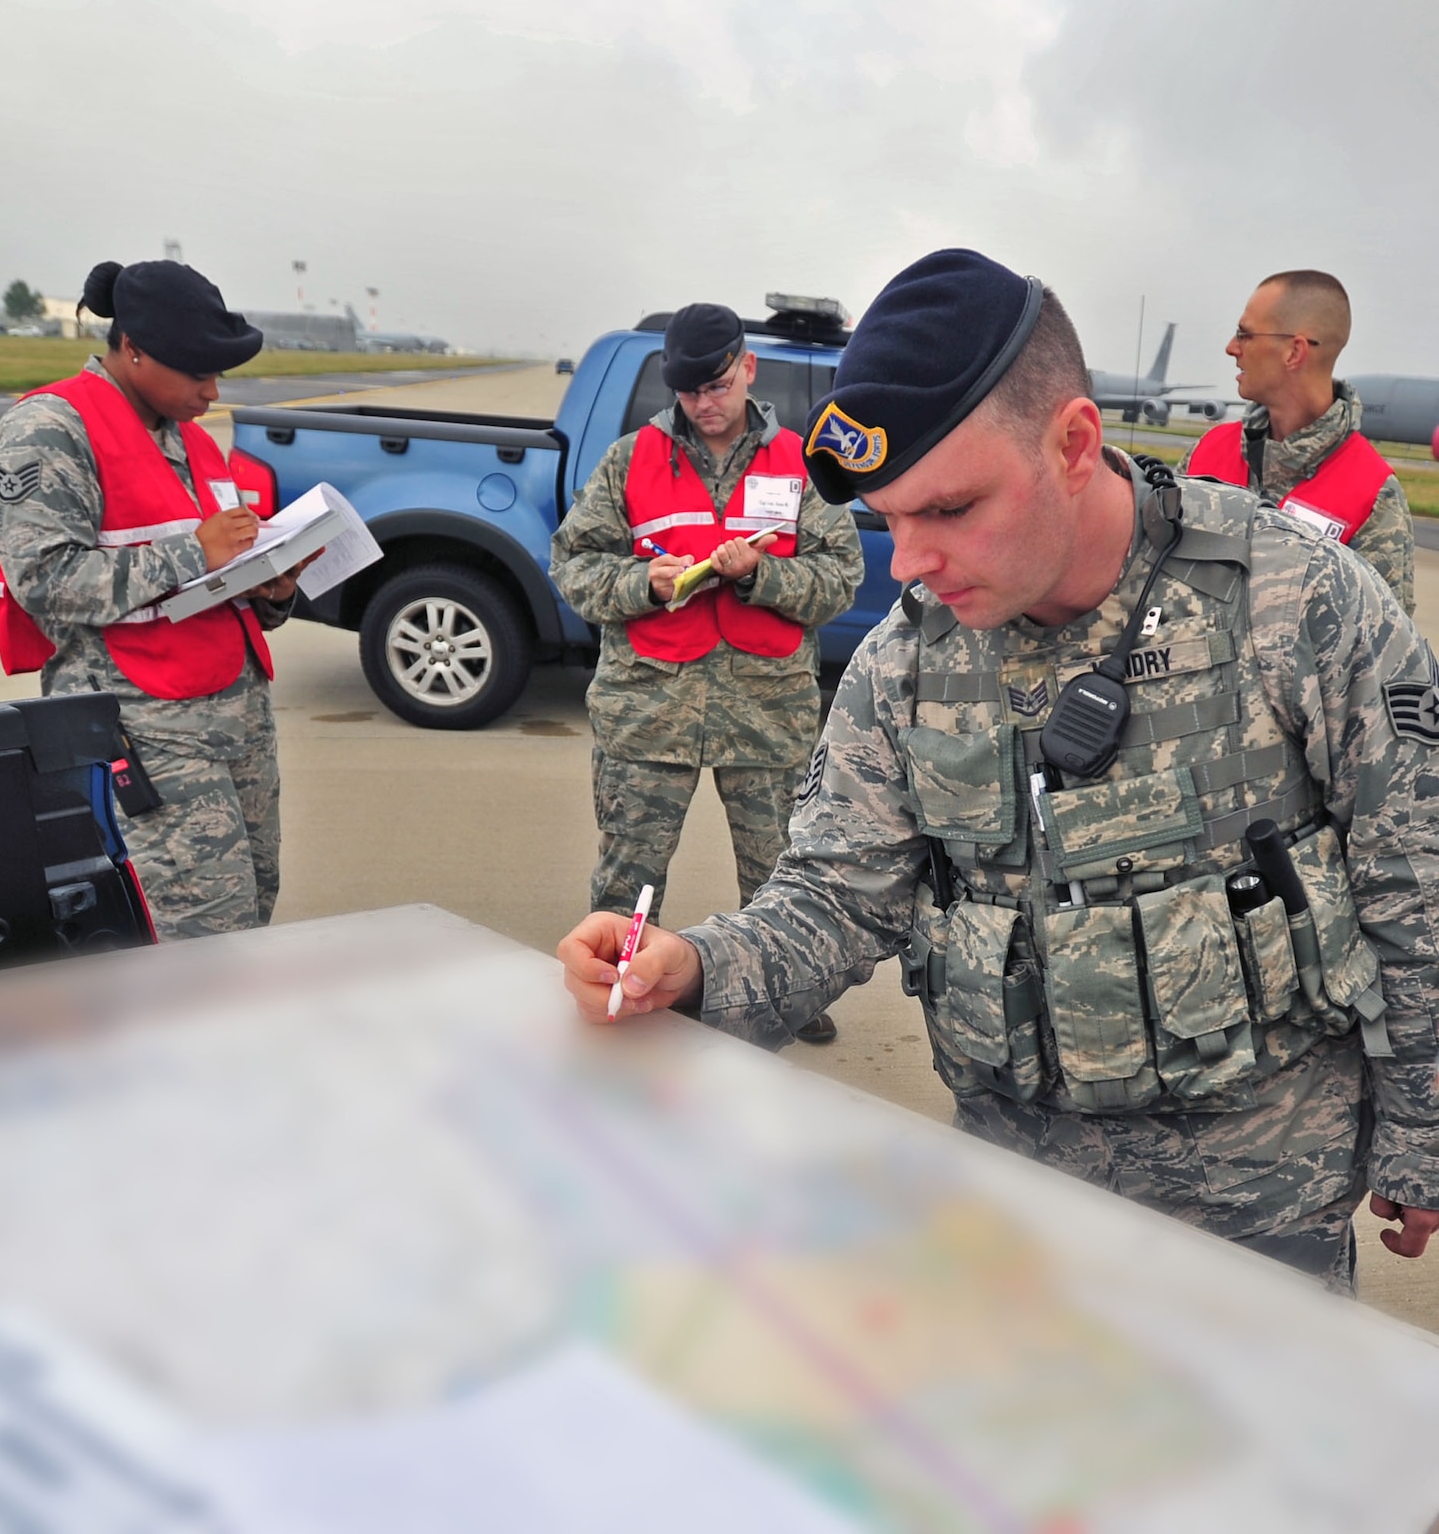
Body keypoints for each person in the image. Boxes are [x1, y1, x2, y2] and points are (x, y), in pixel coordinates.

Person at [558, 248, 1439, 1289]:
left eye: (948, 510)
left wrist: (1420, 1138)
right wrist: (694, 968)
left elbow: (1413, 879)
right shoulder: (906, 661)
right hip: (1010, 1212)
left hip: (1256, 1223)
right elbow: (834, 899)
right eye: (888, 520)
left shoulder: (1297, 603)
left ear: (1071, 443)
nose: (909, 562)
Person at [550, 303, 863, 1044]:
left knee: (781, 875)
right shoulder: (631, 460)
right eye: (690, 391)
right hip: (649, 709)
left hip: (764, 712)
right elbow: (574, 562)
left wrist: (762, 576)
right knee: (630, 878)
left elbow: (841, 578)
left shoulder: (799, 462)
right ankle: (620, 987)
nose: (705, 404)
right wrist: (642, 585)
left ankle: (786, 994)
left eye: (717, 385)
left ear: (747, 368)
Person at [0, 258, 298, 938]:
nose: (212, 392)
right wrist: (198, 550)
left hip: (233, 722)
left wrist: (272, 587)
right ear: (133, 349)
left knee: (253, 913)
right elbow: (46, 584)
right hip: (148, 732)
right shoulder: (49, 430)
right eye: (197, 373)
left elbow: (213, 579)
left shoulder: (184, 434)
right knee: (201, 937)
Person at [1181, 270, 1415, 612]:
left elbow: (1380, 653)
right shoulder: (1206, 453)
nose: (1232, 348)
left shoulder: (1373, 497)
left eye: (1245, 335)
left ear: (1294, 352)